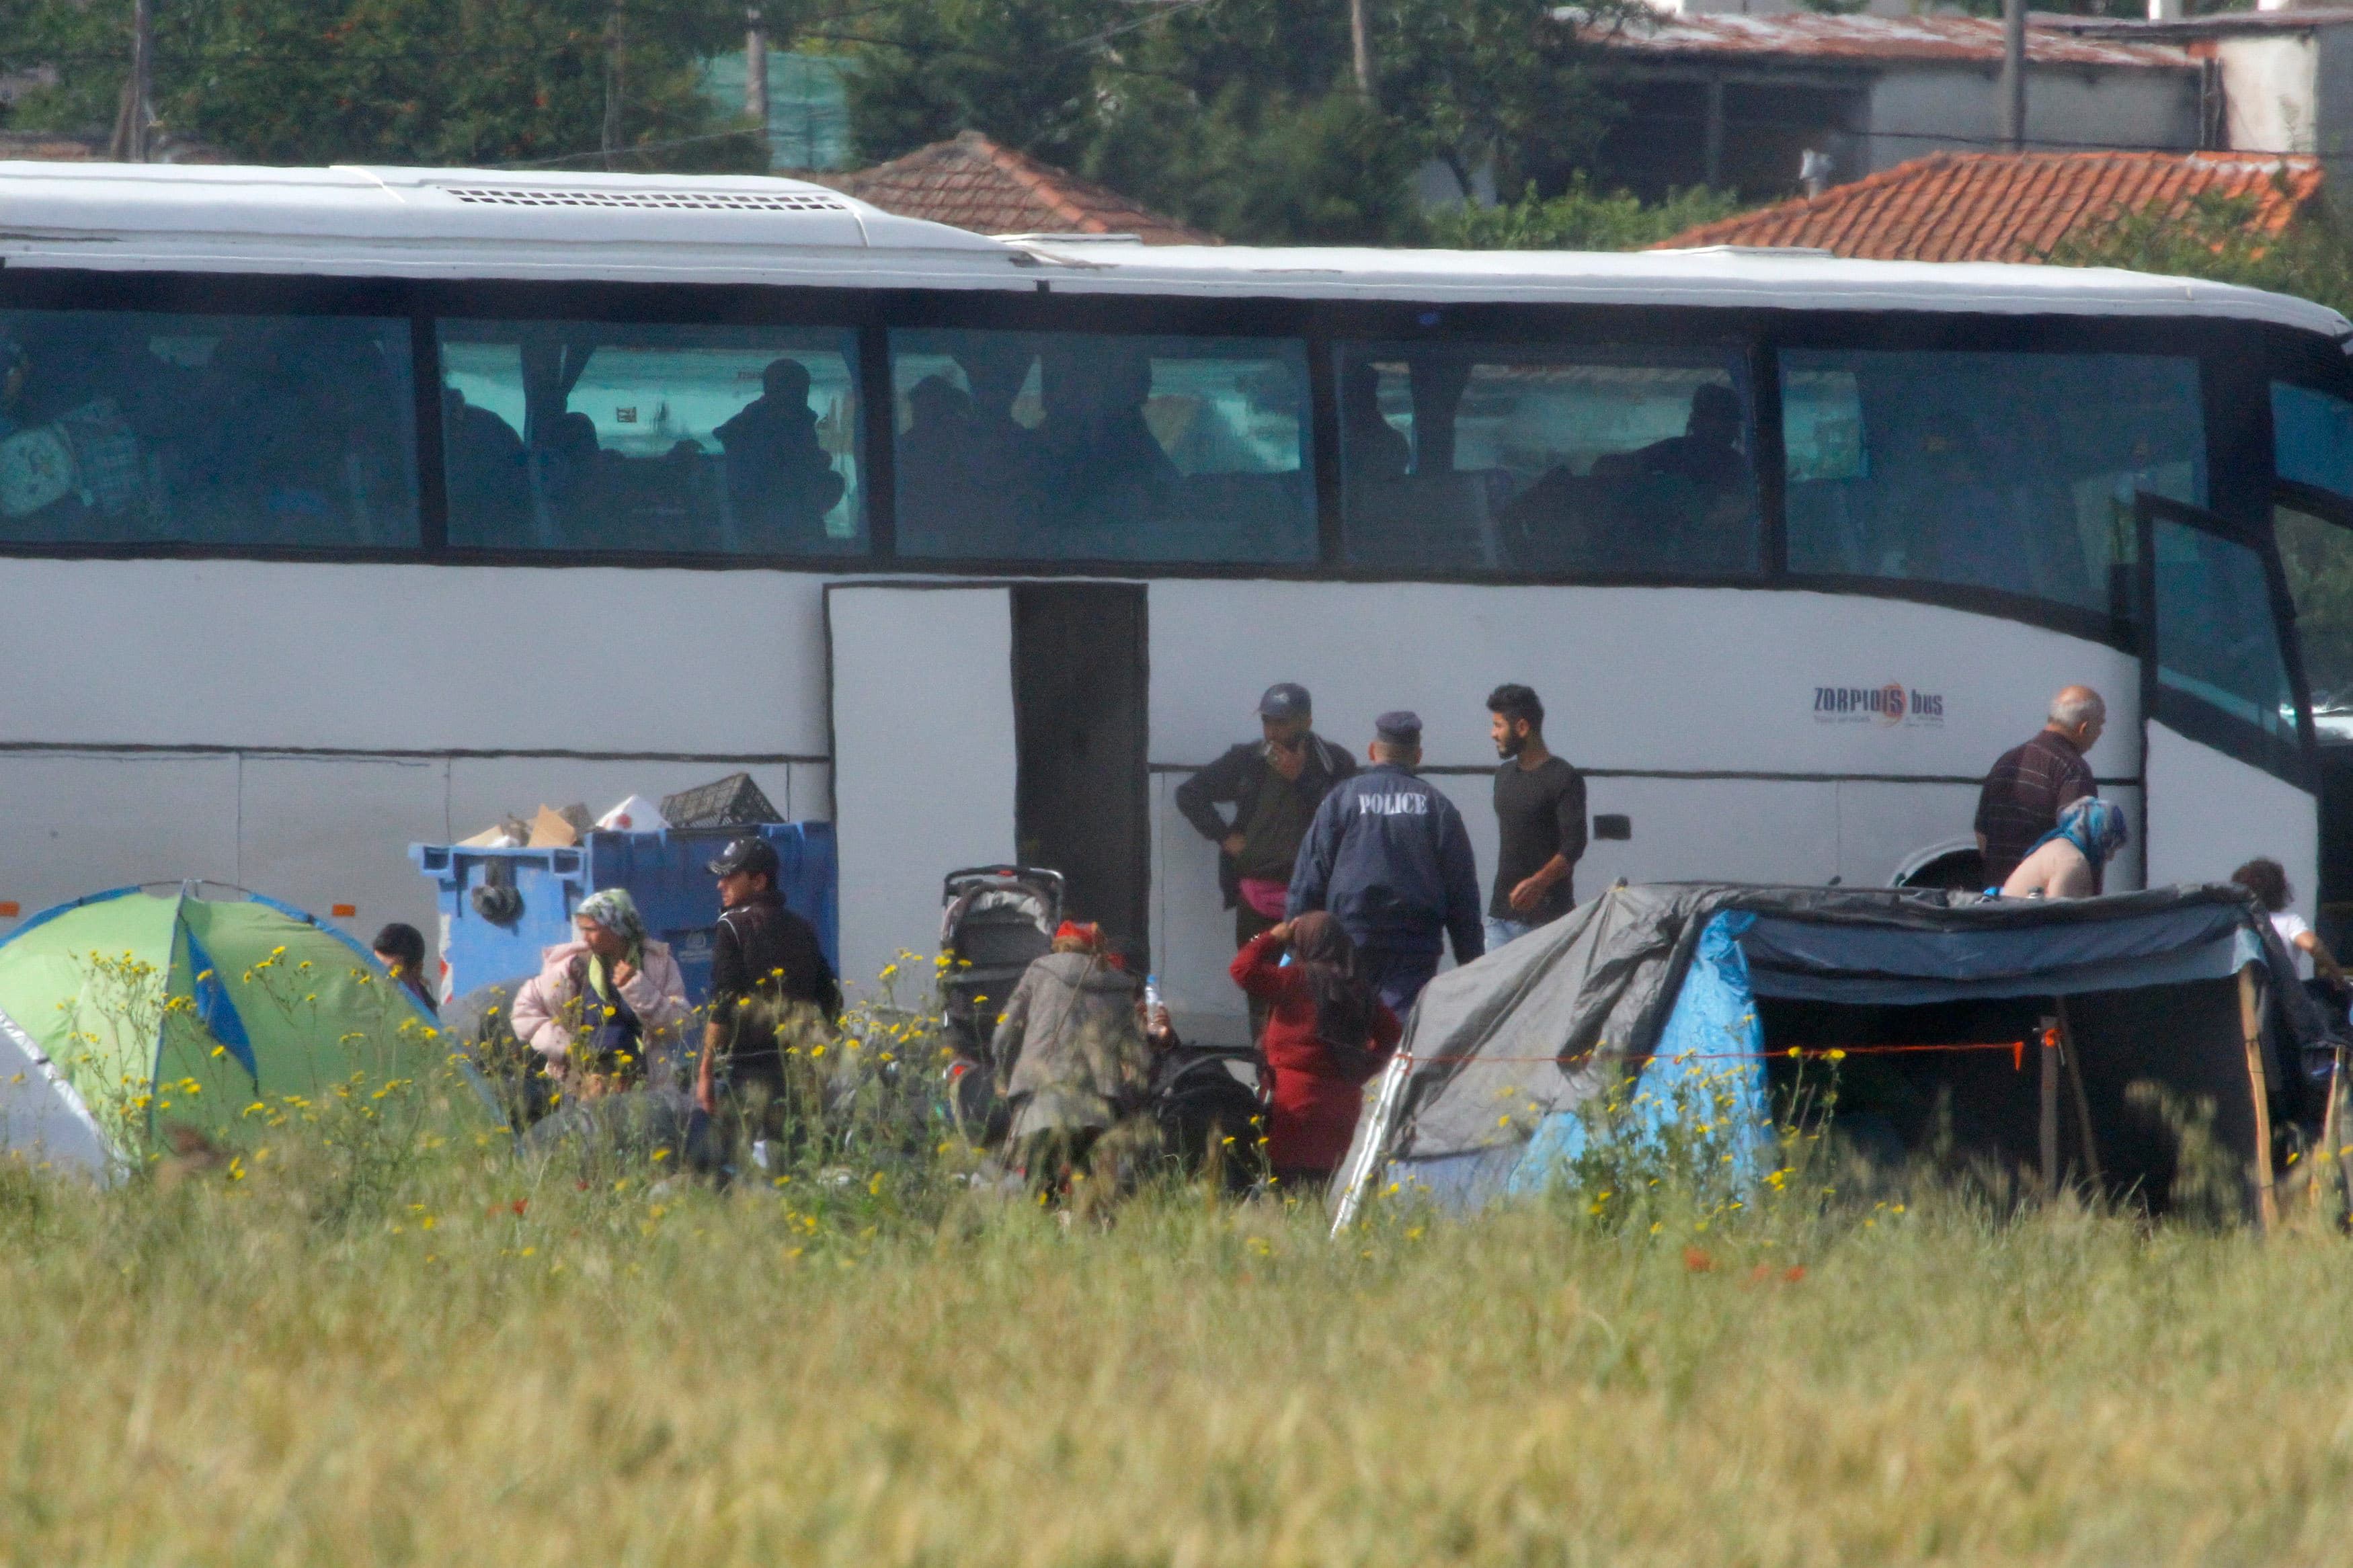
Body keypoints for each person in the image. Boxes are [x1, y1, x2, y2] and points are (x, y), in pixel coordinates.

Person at [1287, 710, 1484, 1016]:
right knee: (1398, 1033)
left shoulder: (1341, 799)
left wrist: (1294, 942)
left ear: (1372, 751)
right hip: (1415, 945)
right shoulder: (1438, 807)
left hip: (1349, 938)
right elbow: (1462, 893)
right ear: (1417, 756)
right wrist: (1472, 963)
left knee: (1347, 1029)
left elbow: (1310, 876)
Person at [1173, 682, 1359, 996]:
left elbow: (1347, 819)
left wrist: (1301, 780)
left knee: (1306, 986)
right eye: (1267, 721)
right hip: (1256, 895)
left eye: (1281, 722)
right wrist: (1224, 836)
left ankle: (1295, 1044)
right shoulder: (1247, 760)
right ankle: (1262, 1045)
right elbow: (1189, 794)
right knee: (1260, 983)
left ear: (1306, 722)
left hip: (1314, 899)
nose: (1272, 731)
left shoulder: (1334, 763)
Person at [990, 921, 1162, 1202]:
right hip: (1096, 1110)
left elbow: (1002, 1033)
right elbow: (1139, 1057)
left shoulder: (1040, 972)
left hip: (1042, 1102)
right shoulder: (1119, 987)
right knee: (1088, 1198)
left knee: (1039, 1192)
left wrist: (1003, 1072)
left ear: (1059, 946)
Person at [1229, 913, 1402, 1194]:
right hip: (1343, 1111)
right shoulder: (1359, 989)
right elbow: (1392, 1035)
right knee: (1322, 1195)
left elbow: (1242, 970)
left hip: (1292, 1108)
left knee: (1284, 1196)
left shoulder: (1295, 979)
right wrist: (1361, 1070)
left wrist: (1273, 937)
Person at [694, 836, 843, 1155]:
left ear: (759, 881)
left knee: (736, 1168)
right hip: (798, 1072)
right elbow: (830, 999)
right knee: (797, 1164)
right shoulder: (802, 928)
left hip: (746, 1075)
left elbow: (723, 1004)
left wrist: (705, 1071)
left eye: (730, 876)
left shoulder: (731, 926)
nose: (721, 885)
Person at [512, 889, 691, 1098]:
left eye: (592, 929)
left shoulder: (656, 965)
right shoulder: (571, 967)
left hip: (643, 1085)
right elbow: (523, 1013)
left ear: (617, 930)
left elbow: (679, 1025)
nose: (585, 938)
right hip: (581, 1086)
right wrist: (566, 1048)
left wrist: (638, 988)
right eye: (582, 930)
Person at [1486, 684, 1587, 949]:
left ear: (1521, 728)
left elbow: (1574, 845)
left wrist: (1540, 881)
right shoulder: (1503, 776)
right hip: (1501, 920)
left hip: (1549, 921)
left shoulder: (1564, 777)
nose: (1493, 734)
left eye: (1499, 726)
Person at [1975, 685, 2104, 889]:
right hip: (2041, 908)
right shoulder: (2073, 769)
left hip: (1996, 903)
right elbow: (2079, 849)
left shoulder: (2006, 762)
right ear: (2084, 728)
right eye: (2100, 726)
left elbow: (1982, 836)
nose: (2100, 734)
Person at [715, 358, 846, 542]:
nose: (802, 397)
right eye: (797, 389)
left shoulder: (793, 423)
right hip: (778, 538)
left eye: (804, 390)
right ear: (777, 390)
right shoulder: (760, 429)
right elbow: (760, 487)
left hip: (792, 532)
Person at [1593, 382, 1749, 491]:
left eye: (1724, 418)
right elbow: (1606, 466)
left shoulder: (1742, 470)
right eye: (1708, 415)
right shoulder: (1673, 451)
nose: (1717, 425)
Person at [2231, 857, 2348, 997]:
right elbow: (2313, 946)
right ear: (2280, 891)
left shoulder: (2233, 924)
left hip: (2240, 999)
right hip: (2284, 1000)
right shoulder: (2288, 922)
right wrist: (2338, 975)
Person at [1999, 796, 2130, 901]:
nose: (2111, 857)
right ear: (2095, 835)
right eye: (2108, 846)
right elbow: (2061, 926)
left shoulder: (2055, 847)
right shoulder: (2073, 863)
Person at [370, 921, 436, 1016]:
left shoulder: (425, 1012)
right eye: (376, 967)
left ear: (417, 969)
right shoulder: (359, 1004)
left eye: (391, 973)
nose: (379, 978)